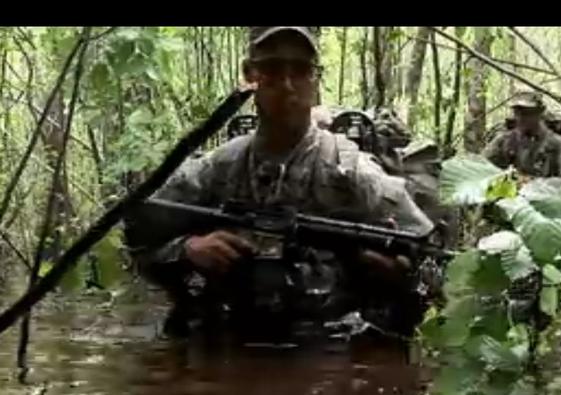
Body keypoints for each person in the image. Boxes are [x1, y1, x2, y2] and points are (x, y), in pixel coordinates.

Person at [126, 26, 435, 340]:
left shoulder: (354, 174)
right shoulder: (215, 170)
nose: (287, 85)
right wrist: (188, 249)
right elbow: (140, 240)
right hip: (230, 343)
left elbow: (430, 262)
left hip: (331, 346)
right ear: (250, 76)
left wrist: (400, 275)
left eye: (300, 70)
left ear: (315, 79)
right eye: (272, 69)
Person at [482, 91, 561, 182]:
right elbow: (481, 168)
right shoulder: (504, 141)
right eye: (517, 113)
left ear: (540, 113)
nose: (520, 118)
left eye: (527, 113)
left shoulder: (559, 146)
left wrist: (536, 184)